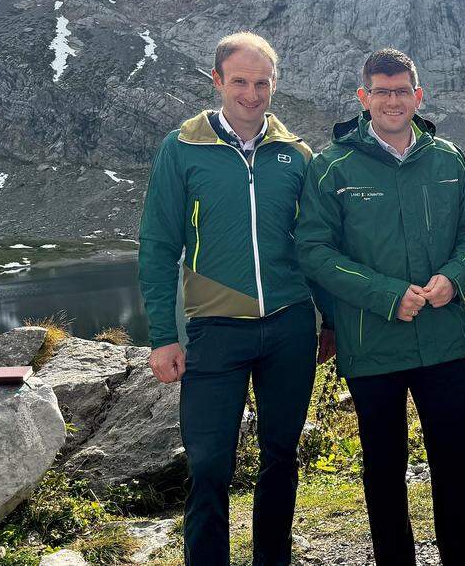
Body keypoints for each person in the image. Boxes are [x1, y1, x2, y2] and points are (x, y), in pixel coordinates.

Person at [139, 31, 328, 565]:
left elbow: (315, 245)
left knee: (280, 457)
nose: (252, 93)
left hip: (290, 326)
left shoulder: (297, 155)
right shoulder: (182, 148)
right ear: (217, 81)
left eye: (262, 82)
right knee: (208, 464)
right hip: (214, 329)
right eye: (240, 81)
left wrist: (328, 321)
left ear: (275, 85)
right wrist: (162, 336)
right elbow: (158, 245)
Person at [296, 48, 465, 565]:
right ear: (364, 97)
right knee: (383, 468)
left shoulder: (447, 156)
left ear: (417, 95)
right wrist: (384, 295)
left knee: (453, 463)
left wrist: (455, 277)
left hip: (444, 338)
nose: (394, 100)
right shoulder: (332, 166)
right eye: (382, 91)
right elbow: (313, 250)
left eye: (403, 90)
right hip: (373, 343)